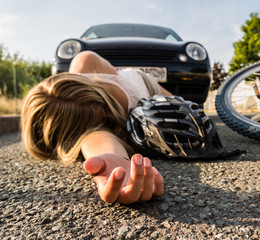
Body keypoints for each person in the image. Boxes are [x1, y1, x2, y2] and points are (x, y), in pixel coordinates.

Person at [21, 51, 171, 204]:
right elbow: (96, 139)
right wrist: (114, 162)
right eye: (104, 120)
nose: (112, 116)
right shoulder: (88, 133)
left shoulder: (86, 61)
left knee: (189, 110)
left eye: (105, 106)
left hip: (143, 84)